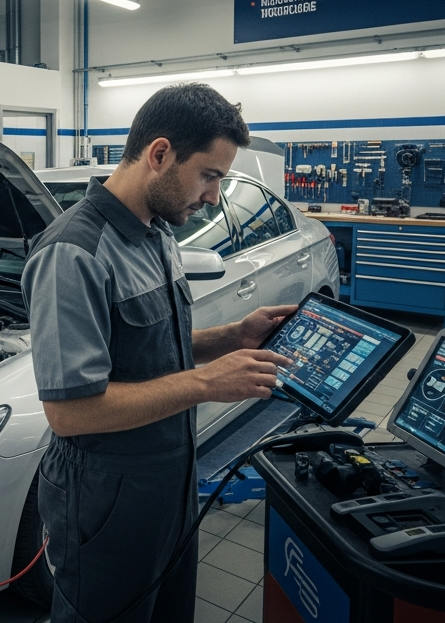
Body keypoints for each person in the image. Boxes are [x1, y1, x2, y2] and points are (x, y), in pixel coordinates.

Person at [22, 83, 297, 622]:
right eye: (210, 175)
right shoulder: (72, 254)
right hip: (104, 497)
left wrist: (231, 337)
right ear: (160, 154)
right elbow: (71, 411)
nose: (214, 196)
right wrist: (207, 383)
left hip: (169, 480)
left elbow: (144, 348)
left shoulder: (158, 233)